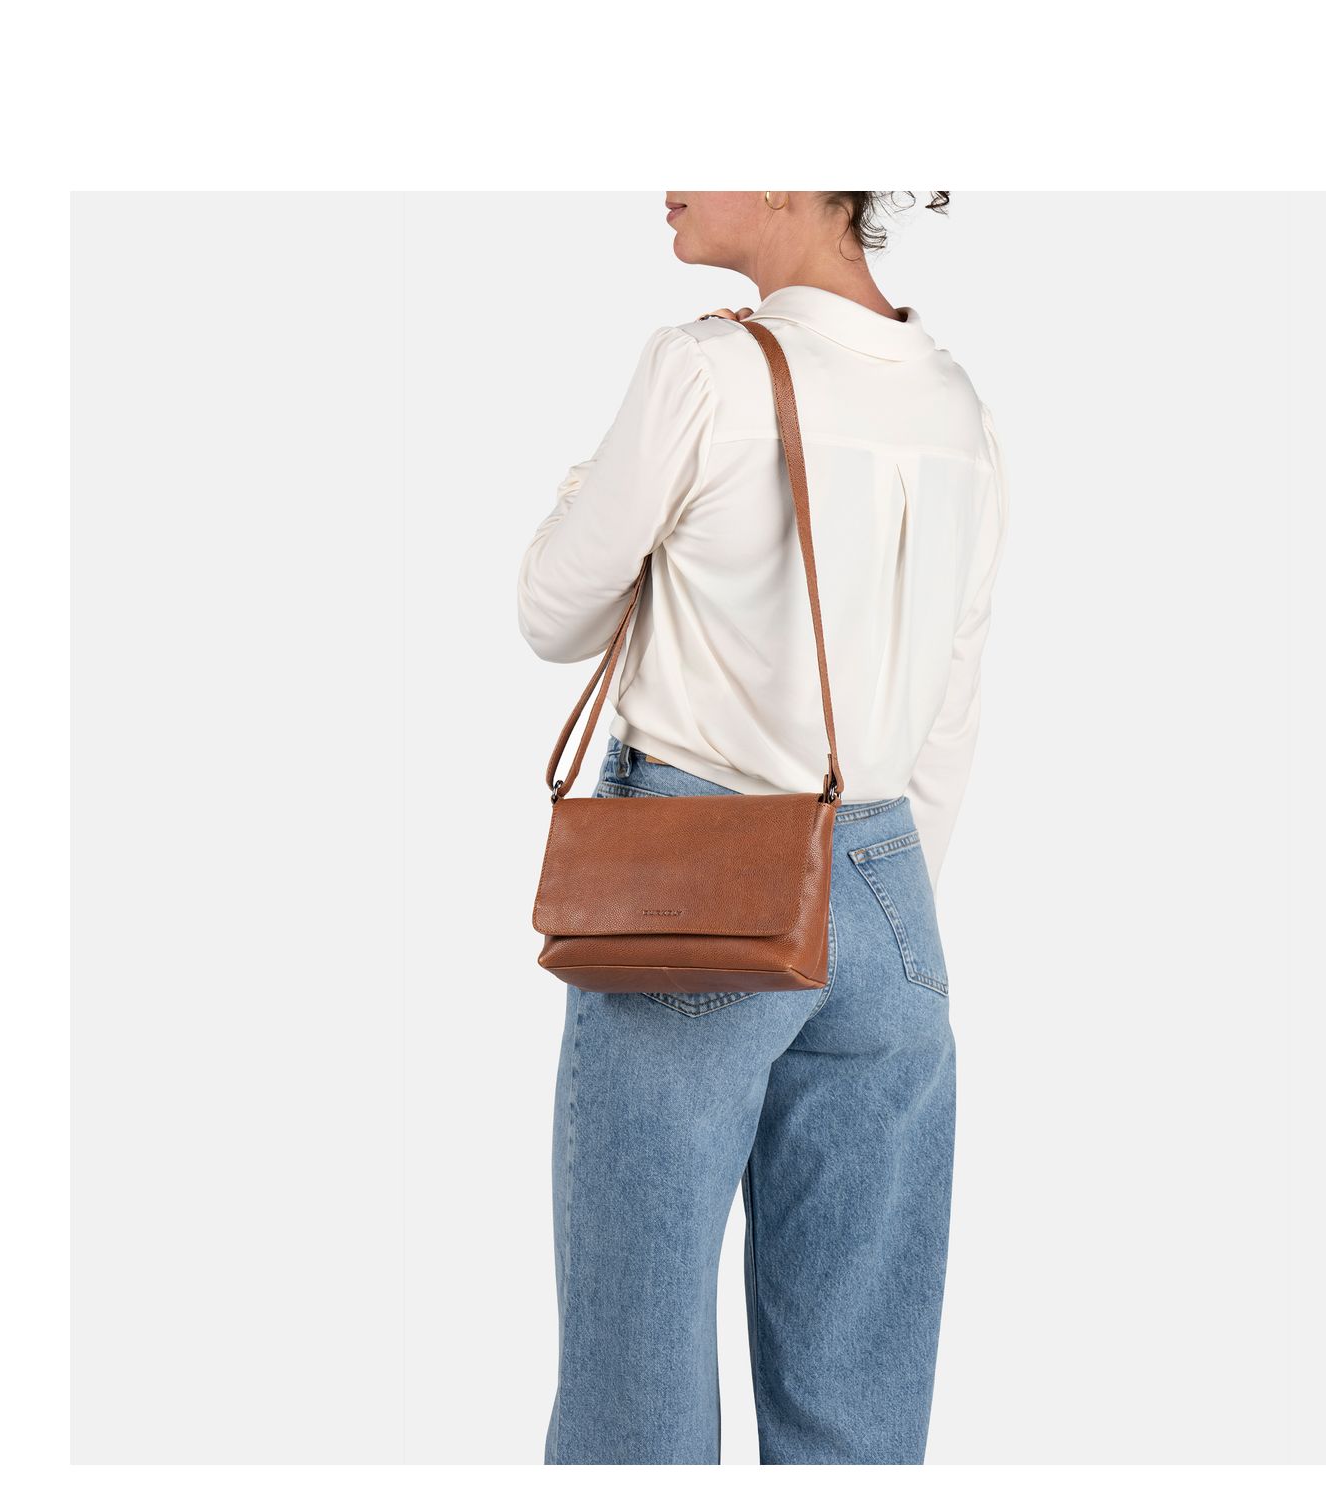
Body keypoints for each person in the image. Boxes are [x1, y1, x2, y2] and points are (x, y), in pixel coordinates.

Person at [516, 190, 1010, 1465]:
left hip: (699, 887)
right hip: (891, 893)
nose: (665, 175)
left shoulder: (703, 371)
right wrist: (865, 897)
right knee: (856, 1409)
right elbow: (950, 711)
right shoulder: (957, 406)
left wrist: (598, 481)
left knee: (636, 1392)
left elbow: (553, 611)